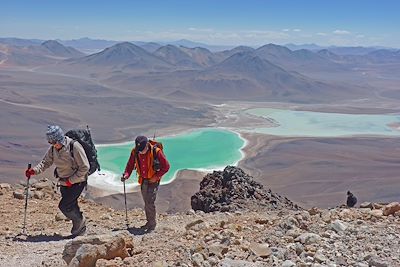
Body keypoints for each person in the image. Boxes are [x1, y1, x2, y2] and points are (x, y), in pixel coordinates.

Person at [25, 125, 89, 236]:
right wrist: (34, 171)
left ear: (60, 138)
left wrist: (71, 180)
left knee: (64, 206)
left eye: (54, 142)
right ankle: (79, 231)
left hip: (77, 182)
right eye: (51, 143)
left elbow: (85, 167)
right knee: (71, 205)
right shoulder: (53, 149)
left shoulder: (74, 147)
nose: (53, 145)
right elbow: (45, 163)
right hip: (64, 182)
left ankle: (80, 221)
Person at [121, 135, 170, 232]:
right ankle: (149, 222)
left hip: (153, 180)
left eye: (142, 149)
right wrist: (126, 175)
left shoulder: (156, 152)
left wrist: (156, 176)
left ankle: (152, 224)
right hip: (143, 179)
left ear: (147, 145)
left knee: (149, 202)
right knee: (146, 202)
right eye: (139, 150)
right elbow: (130, 164)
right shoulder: (135, 151)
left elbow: (166, 166)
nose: (141, 152)